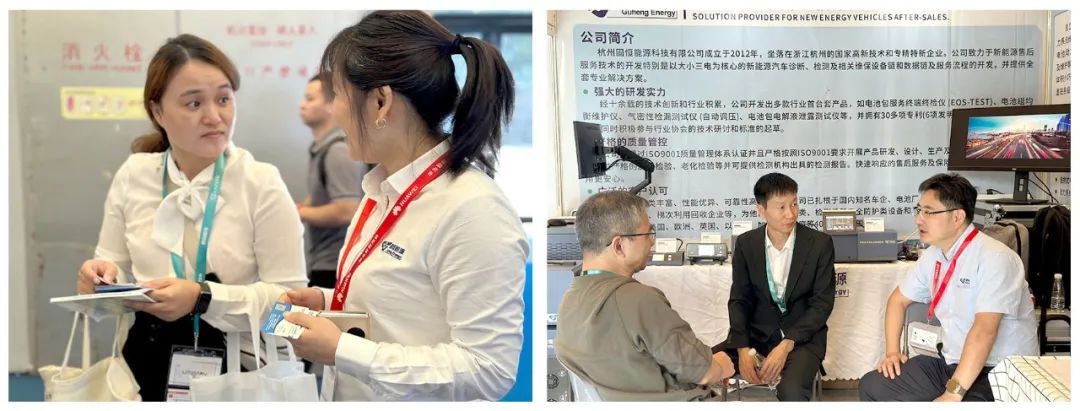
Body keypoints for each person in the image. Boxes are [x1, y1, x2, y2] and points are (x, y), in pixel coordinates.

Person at [278, 10, 528, 401]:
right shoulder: (381, 188)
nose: (334, 110)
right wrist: (329, 301)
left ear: (381, 102)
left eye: (337, 95)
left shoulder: (472, 209)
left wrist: (343, 349)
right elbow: (406, 306)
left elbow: (489, 369)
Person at [75, 34, 308, 401]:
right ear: (158, 112)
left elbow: (292, 306)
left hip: (241, 372)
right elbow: (112, 266)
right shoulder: (135, 174)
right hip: (146, 365)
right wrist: (100, 278)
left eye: (223, 99)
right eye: (194, 103)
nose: (214, 117)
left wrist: (203, 298)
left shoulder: (260, 182)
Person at [859, 173, 1038, 401]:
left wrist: (953, 394)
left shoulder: (995, 258)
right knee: (873, 386)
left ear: (957, 217)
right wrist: (892, 352)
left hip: (1000, 370)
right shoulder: (934, 255)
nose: (919, 219)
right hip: (952, 362)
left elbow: (984, 330)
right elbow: (898, 300)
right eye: (919, 210)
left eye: (929, 212)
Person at [554, 191, 735, 401]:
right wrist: (722, 365)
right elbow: (705, 372)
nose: (652, 242)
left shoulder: (568, 301)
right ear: (619, 246)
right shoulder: (638, 300)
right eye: (648, 234)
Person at [715, 172, 836, 401]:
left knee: (792, 392)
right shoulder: (746, 244)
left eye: (794, 204)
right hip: (756, 335)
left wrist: (787, 344)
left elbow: (822, 304)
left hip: (801, 339)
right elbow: (740, 299)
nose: (790, 213)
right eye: (781, 207)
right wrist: (742, 348)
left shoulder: (819, 244)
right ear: (761, 210)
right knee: (699, 368)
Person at [297, 74, 368, 288]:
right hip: (322, 261)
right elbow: (319, 195)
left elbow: (347, 210)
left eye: (310, 99)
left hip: (335, 266)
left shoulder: (338, 150)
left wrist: (298, 212)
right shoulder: (322, 147)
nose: (302, 105)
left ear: (331, 105)